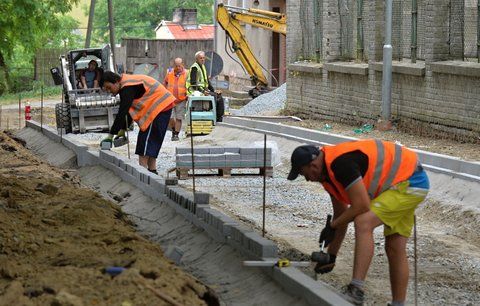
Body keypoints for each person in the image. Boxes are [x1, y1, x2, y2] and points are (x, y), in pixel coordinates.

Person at [287, 139, 429, 306]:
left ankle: (356, 290)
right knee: (395, 246)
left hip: (409, 182)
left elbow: (361, 205)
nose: (307, 180)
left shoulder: (341, 164)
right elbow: (341, 215)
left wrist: (332, 226)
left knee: (363, 223)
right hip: (403, 181)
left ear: (313, 166)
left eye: (303, 174)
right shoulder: (327, 177)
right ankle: (399, 304)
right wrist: (331, 255)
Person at [99, 71, 176, 174]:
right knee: (151, 142)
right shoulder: (127, 84)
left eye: (109, 87)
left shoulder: (127, 87)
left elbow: (123, 111)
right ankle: (152, 171)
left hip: (159, 108)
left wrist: (111, 135)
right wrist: (122, 129)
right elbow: (129, 111)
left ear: (116, 82)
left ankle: (144, 174)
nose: (109, 91)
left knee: (144, 144)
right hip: (162, 107)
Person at [186, 50, 224, 122]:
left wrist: (213, 90)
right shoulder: (195, 67)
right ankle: (214, 116)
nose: (203, 59)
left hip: (202, 90)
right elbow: (193, 83)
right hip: (195, 91)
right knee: (215, 97)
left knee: (218, 96)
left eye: (203, 58)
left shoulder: (203, 67)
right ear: (196, 59)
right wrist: (203, 91)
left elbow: (207, 82)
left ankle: (219, 117)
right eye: (201, 58)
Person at [163, 57, 188, 141]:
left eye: (179, 66)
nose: (178, 68)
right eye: (176, 66)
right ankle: (173, 130)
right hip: (170, 99)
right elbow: (165, 82)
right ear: (174, 65)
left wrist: (187, 94)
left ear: (182, 65)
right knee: (170, 117)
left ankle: (176, 134)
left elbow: (189, 85)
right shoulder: (170, 73)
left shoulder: (187, 74)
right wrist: (164, 92)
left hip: (181, 100)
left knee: (179, 118)